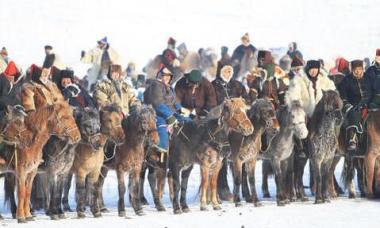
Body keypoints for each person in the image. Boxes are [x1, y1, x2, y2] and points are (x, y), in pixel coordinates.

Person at [212, 64, 248, 200]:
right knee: (221, 154)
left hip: (236, 122)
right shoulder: (213, 85)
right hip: (221, 121)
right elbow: (210, 101)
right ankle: (222, 188)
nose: (228, 73)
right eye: (225, 71)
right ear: (220, 72)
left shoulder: (237, 85)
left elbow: (246, 98)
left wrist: (240, 102)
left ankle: (242, 187)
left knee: (240, 151)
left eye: (230, 71)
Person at [144, 66, 191, 160]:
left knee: (189, 122)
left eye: (168, 76)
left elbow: (174, 102)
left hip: (172, 113)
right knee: (163, 130)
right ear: (160, 75)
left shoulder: (170, 87)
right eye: (164, 76)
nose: (166, 78)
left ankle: (189, 149)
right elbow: (158, 103)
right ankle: (159, 154)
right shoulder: (156, 85)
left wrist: (181, 109)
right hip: (158, 113)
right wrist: (169, 116)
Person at [338, 60, 370, 152]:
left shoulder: (368, 78)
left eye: (360, 69)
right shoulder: (346, 80)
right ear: (352, 70)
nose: (358, 71)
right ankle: (352, 139)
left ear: (363, 69)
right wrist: (348, 105)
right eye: (355, 69)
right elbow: (342, 96)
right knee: (355, 113)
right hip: (352, 105)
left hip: (367, 105)